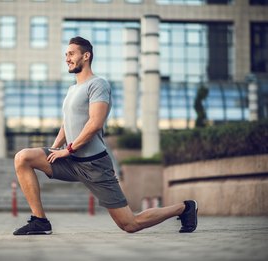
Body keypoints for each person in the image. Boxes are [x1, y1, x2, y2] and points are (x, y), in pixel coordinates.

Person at [12, 36, 198, 235]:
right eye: (66, 54)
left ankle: (185, 208)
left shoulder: (98, 84)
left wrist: (67, 150)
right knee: (23, 157)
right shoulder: (72, 89)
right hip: (70, 159)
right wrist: (56, 147)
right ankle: (40, 221)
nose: (67, 58)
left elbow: (94, 124)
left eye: (71, 54)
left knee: (130, 224)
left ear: (86, 56)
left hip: (95, 165)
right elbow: (67, 123)